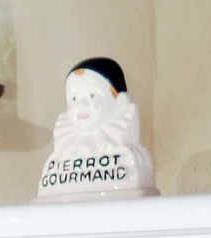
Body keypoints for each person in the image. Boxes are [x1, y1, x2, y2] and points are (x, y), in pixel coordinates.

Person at [38, 56, 156, 199]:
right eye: (73, 99)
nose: (81, 105)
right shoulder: (55, 166)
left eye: (92, 96)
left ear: (120, 101)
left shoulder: (126, 159)